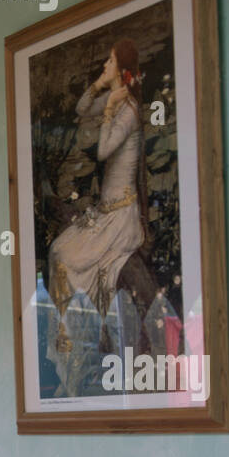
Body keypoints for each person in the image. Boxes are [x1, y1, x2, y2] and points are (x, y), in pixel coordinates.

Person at [45, 39, 149, 396]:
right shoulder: (116, 99)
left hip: (120, 218)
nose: (103, 64)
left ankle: (79, 361)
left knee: (70, 262)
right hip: (104, 214)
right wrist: (99, 87)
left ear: (122, 70)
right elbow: (79, 107)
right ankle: (68, 356)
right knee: (58, 251)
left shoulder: (130, 110)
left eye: (108, 62)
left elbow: (104, 151)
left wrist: (110, 109)